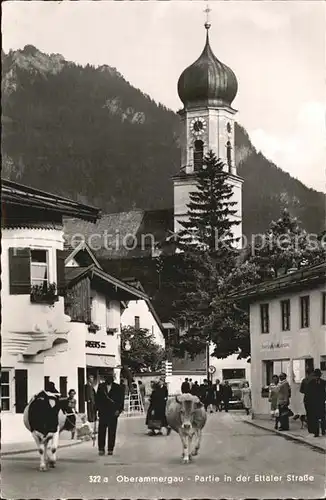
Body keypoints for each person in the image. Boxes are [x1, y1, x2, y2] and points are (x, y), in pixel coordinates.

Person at [95, 369, 125, 456]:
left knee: (112, 431)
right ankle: (101, 448)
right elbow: (98, 400)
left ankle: (110, 449)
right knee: (101, 431)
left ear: (113, 378)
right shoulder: (101, 386)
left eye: (110, 377)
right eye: (107, 377)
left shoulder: (118, 387)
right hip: (103, 412)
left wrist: (118, 411)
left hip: (113, 412)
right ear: (105, 378)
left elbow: (121, 401)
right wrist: (97, 410)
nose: (108, 379)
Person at [305, 368, 326, 438]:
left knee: (323, 417)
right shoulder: (311, 383)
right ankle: (316, 432)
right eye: (316, 375)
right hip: (314, 403)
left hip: (321, 402)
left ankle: (323, 430)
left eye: (318, 375)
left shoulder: (323, 382)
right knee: (315, 418)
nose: (317, 377)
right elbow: (308, 393)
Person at [300, 368, 314, 433]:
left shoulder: (304, 380)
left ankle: (310, 426)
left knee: (308, 412)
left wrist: (306, 391)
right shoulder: (315, 380)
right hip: (314, 398)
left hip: (306, 398)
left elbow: (301, 390)